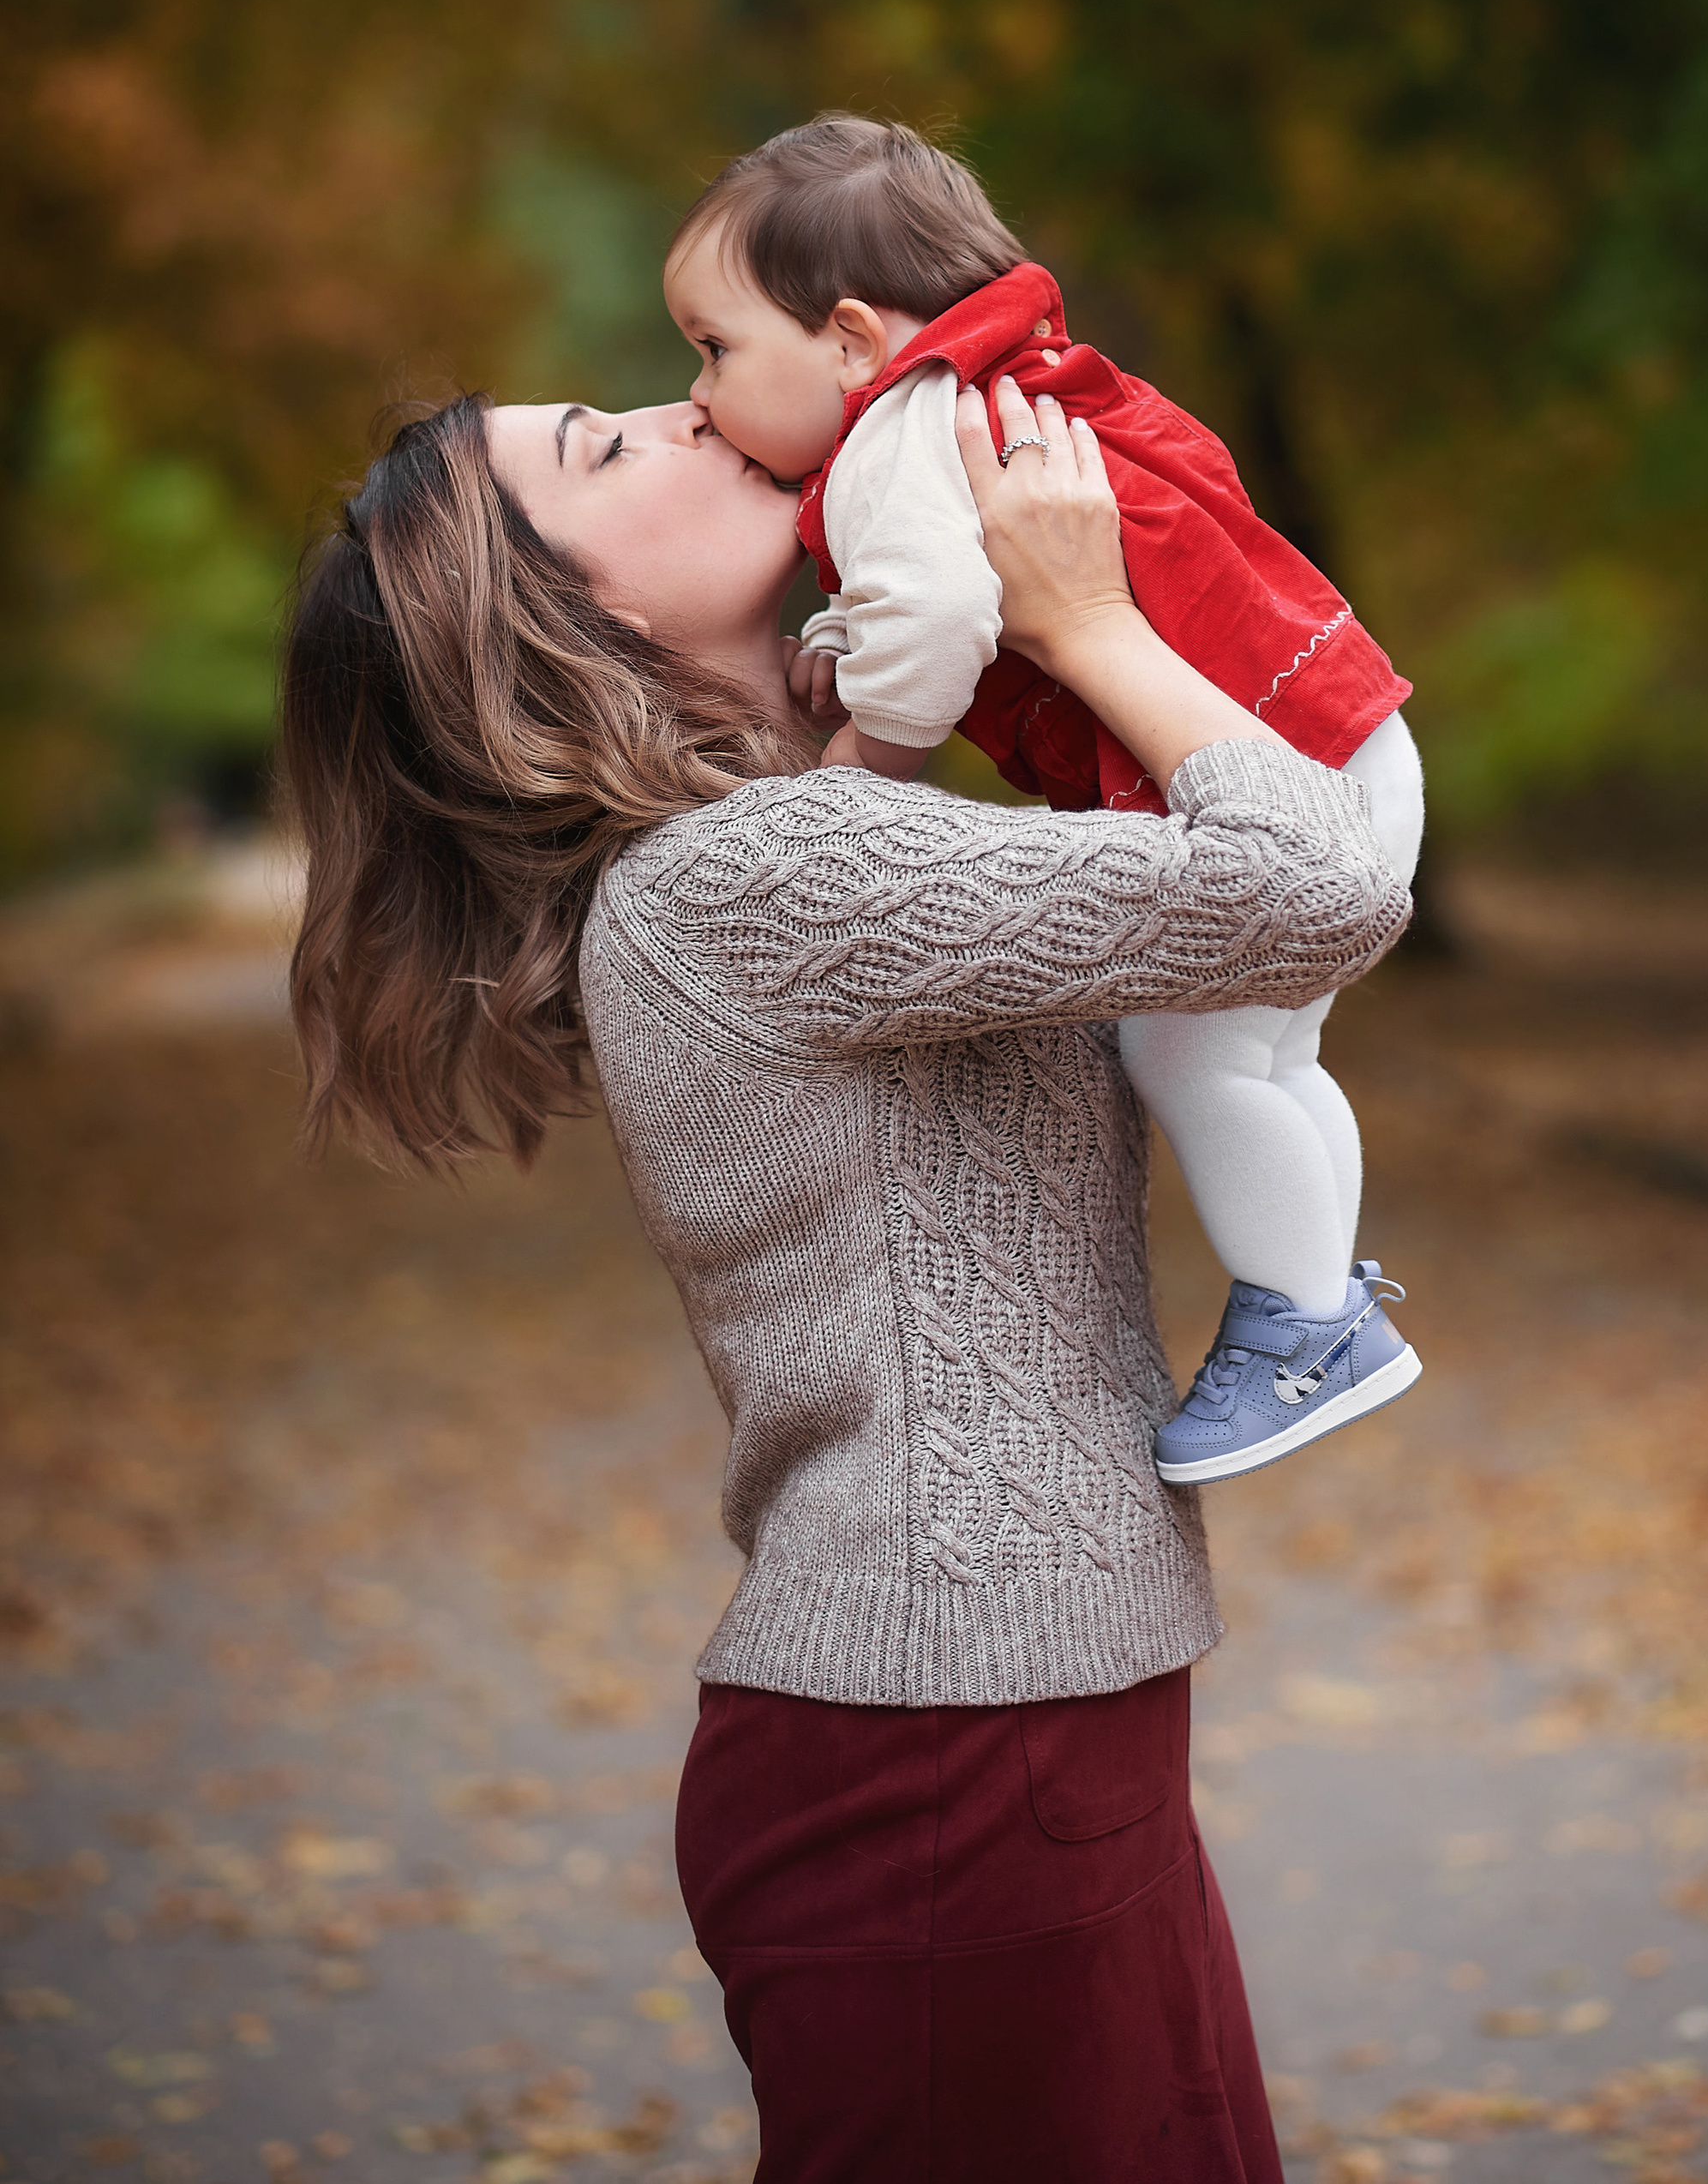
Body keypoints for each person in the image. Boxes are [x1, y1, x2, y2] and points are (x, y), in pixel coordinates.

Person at [283, 367, 1411, 2182]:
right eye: (603, 450)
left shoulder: (743, 861)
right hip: (949, 1762)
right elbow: (1320, 888)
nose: (678, 411)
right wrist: (1092, 614)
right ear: (577, 616)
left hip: (984, 1727)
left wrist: (900, 686)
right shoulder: (760, 879)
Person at [662, 114, 1426, 1486]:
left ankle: (1311, 1320)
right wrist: (849, 647)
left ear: (847, 337)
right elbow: (938, 599)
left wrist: (854, 775)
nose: (700, 394)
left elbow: (946, 614)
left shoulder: (898, 430)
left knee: (1189, 1056)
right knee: (1264, 1060)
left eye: (715, 349)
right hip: (1341, 733)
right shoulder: (1001, 388)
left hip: (1265, 772)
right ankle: (1322, 1293)